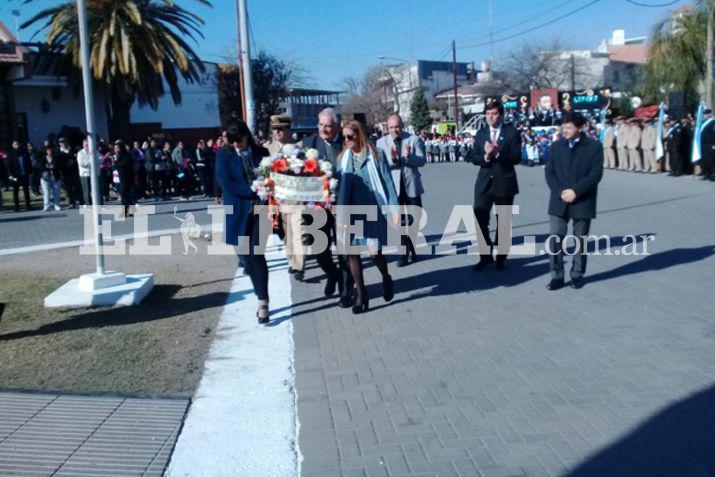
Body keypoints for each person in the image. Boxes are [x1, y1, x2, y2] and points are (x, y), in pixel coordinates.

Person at [336, 120, 399, 314]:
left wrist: (394, 209)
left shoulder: (376, 155)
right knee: (352, 252)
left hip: (372, 206)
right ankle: (362, 295)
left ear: (359, 135)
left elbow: (388, 182)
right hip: (351, 209)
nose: (346, 140)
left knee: (374, 253)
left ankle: (386, 277)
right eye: (344, 137)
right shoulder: (342, 159)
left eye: (350, 136)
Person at [215, 119, 272, 324]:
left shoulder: (262, 153)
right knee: (246, 258)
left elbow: (273, 176)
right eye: (232, 142)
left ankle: (263, 302)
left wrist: (267, 187)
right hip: (238, 210)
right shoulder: (224, 154)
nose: (236, 145)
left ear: (246, 136)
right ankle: (259, 291)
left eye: (238, 141)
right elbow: (226, 184)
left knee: (257, 255)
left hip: (260, 211)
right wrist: (251, 190)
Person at [544, 112, 604, 290]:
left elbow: (595, 175)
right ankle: (557, 275)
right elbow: (549, 172)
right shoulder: (556, 146)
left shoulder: (594, 147)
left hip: (582, 200)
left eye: (569, 127)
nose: (565, 130)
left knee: (580, 240)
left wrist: (575, 191)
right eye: (563, 126)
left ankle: (577, 274)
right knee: (555, 238)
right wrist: (561, 191)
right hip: (559, 199)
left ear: (580, 128)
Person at [466, 100, 522, 271]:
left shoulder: (512, 133)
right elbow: (473, 156)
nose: (491, 117)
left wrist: (497, 153)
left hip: (504, 182)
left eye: (494, 113)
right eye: (488, 114)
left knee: (503, 222)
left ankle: (501, 258)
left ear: (501, 115)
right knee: (479, 219)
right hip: (484, 183)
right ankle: (485, 256)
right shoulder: (481, 133)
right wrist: (485, 157)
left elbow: (516, 158)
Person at [299, 108, 346, 304]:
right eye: (321, 125)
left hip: (342, 203)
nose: (324, 129)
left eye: (328, 125)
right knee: (319, 249)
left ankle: (345, 289)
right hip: (317, 205)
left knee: (345, 249)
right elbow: (297, 171)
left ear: (337, 126)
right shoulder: (308, 144)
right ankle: (332, 274)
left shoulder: (346, 142)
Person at [376, 114, 427, 267]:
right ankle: (403, 253)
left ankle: (412, 246)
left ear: (402, 126)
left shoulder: (414, 139)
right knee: (398, 222)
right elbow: (380, 166)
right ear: (387, 128)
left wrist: (409, 157)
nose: (394, 130)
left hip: (411, 185)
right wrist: (392, 160)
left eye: (397, 127)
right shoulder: (381, 143)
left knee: (414, 220)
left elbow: (422, 161)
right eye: (391, 127)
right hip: (393, 188)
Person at [266, 115, 306, 279]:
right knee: (285, 233)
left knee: (298, 233)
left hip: (296, 199)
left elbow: (306, 172)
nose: (277, 132)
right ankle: (292, 261)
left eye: (281, 129)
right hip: (276, 199)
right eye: (275, 129)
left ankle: (299, 267)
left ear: (289, 130)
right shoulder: (268, 149)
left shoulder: (299, 149)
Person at [6, 140, 33, 211]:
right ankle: (17, 206)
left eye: (18, 143)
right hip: (15, 175)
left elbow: (28, 162)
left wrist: (30, 170)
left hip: (24, 174)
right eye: (15, 144)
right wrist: (10, 174)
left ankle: (28, 205)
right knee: (15, 190)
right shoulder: (10, 154)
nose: (17, 145)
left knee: (26, 190)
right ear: (12, 145)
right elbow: (8, 166)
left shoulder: (24, 152)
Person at [57, 137, 81, 207]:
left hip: (74, 171)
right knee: (68, 188)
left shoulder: (73, 149)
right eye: (61, 142)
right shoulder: (58, 152)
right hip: (65, 172)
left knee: (77, 186)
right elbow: (58, 162)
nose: (63, 144)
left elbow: (77, 158)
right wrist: (65, 165)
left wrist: (73, 161)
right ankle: (71, 202)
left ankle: (78, 199)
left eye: (64, 142)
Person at [113, 140, 135, 217]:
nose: (116, 150)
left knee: (124, 194)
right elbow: (115, 167)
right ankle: (129, 210)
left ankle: (126, 211)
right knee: (125, 195)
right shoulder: (117, 156)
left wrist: (116, 161)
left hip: (127, 177)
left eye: (117, 148)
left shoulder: (126, 155)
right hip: (121, 178)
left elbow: (122, 164)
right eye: (115, 148)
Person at [39, 146, 63, 212]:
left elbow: (59, 166)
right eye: (48, 150)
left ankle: (57, 205)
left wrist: (53, 167)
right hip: (45, 178)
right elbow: (41, 167)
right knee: (46, 192)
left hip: (55, 177)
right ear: (46, 151)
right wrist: (48, 167)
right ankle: (46, 206)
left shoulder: (56, 158)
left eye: (51, 150)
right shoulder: (43, 159)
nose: (50, 152)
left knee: (56, 192)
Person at [77, 139, 94, 206]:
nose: (87, 146)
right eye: (86, 145)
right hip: (85, 174)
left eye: (89, 145)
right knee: (87, 190)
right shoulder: (80, 153)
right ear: (83, 145)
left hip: (93, 174)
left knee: (94, 189)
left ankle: (96, 203)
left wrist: (93, 161)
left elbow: (100, 159)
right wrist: (91, 161)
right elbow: (82, 163)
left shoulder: (93, 151)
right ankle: (87, 203)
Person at [700, 109, 715, 181]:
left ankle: (713, 174)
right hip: (704, 144)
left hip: (710, 144)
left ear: (709, 114)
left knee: (711, 160)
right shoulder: (703, 123)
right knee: (705, 159)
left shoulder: (713, 122)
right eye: (704, 114)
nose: (704, 116)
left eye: (706, 114)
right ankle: (707, 173)